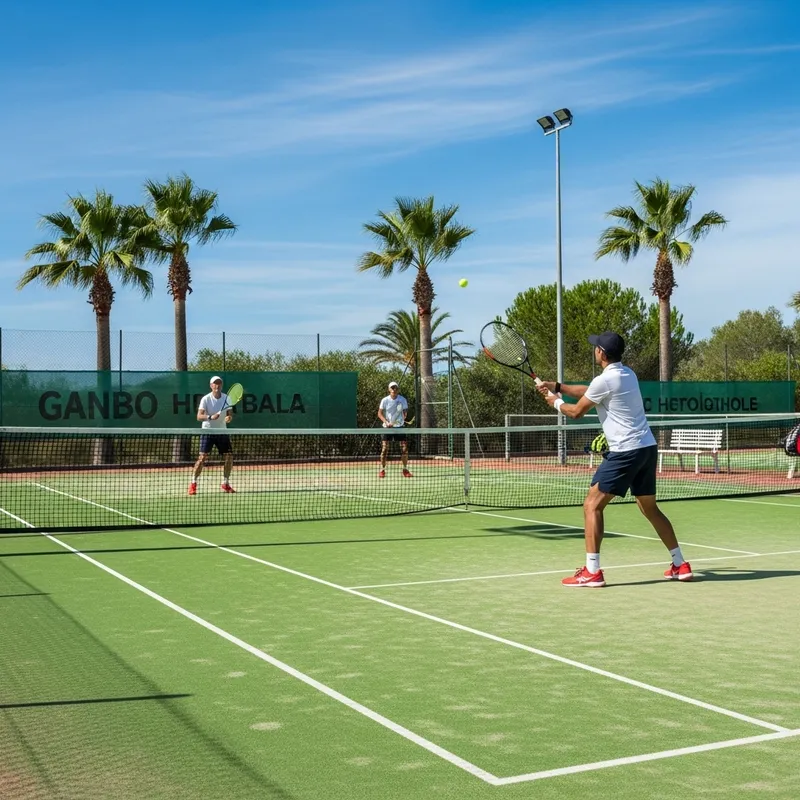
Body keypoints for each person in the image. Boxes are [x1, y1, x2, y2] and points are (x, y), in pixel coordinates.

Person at [537, 331, 692, 588]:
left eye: (596, 347)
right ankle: (680, 564)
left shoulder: (604, 381)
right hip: (646, 448)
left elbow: (576, 411)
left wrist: (555, 402)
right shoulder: (627, 374)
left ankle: (592, 571)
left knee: (592, 506)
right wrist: (558, 386)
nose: (594, 349)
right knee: (649, 508)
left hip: (625, 451)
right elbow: (590, 391)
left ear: (602, 353)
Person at [188, 375, 236, 495]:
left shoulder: (227, 398)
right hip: (208, 432)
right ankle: (193, 483)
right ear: (211, 386)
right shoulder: (205, 399)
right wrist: (210, 417)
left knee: (229, 457)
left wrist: (229, 418)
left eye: (219, 383)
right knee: (202, 457)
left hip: (222, 432)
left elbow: (230, 413)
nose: (217, 385)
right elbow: (199, 416)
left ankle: (225, 483)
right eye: (215, 383)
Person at [377, 381, 412, 479]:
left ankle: (405, 469)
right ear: (389, 389)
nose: (394, 390)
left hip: (399, 428)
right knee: (384, 449)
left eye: (396, 388)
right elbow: (379, 414)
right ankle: (382, 470)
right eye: (392, 388)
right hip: (387, 428)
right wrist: (386, 422)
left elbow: (405, 413)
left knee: (404, 449)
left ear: (398, 389)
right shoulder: (384, 400)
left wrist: (400, 420)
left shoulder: (402, 400)